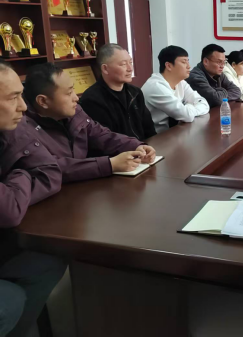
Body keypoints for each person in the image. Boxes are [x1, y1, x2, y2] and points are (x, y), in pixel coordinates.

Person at [0, 60, 66, 338]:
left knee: (47, 262)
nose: (23, 107)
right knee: (11, 300)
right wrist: (22, 175)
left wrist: (13, 185)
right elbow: (9, 210)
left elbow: (50, 172)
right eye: (12, 97)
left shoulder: (10, 126)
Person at [23, 63, 157, 183]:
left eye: (73, 90)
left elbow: (102, 135)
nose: (76, 98)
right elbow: (53, 167)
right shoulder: (22, 129)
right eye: (69, 93)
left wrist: (136, 146)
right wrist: (110, 164)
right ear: (43, 101)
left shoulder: (75, 112)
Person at [79, 44, 157, 141]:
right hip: (120, 150)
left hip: (144, 147)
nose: (130, 68)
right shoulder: (92, 99)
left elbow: (149, 129)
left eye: (130, 62)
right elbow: (104, 140)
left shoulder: (135, 93)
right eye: (123, 64)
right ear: (105, 69)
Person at [142, 46, 210, 133]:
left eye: (188, 61)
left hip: (176, 132)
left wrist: (188, 109)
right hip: (157, 137)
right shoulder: (155, 86)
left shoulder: (181, 82)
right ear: (169, 66)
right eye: (184, 62)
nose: (189, 66)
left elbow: (204, 103)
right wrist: (190, 106)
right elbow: (186, 116)